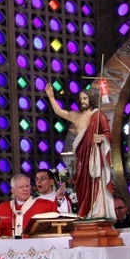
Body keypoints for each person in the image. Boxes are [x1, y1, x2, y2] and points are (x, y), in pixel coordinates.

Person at [45, 84, 115, 219]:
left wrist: (101, 138)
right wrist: (51, 97)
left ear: (91, 99)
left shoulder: (97, 115)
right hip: (81, 156)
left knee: (94, 182)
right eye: (81, 99)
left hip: (94, 156)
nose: (83, 101)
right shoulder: (75, 116)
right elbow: (59, 112)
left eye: (85, 98)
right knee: (82, 184)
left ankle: (96, 211)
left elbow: (107, 134)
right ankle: (85, 212)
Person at [0, 174, 57, 239]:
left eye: (27, 186)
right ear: (13, 191)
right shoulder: (1, 209)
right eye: (20, 187)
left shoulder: (45, 205)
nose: (25, 189)